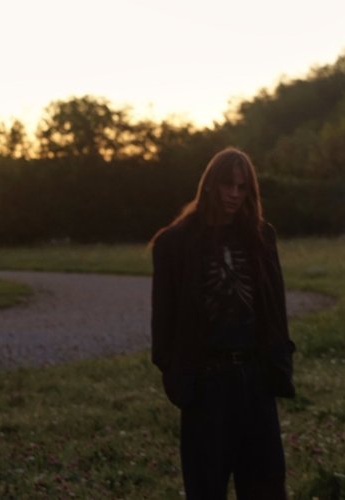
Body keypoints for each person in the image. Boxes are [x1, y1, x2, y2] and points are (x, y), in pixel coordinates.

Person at [150, 147, 295, 499]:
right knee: (206, 487)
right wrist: (180, 378)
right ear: (210, 185)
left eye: (242, 187)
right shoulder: (175, 243)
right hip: (206, 383)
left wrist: (278, 363)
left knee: (265, 486)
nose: (234, 194)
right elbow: (163, 321)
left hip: (255, 379)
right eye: (227, 185)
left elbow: (275, 308)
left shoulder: (261, 237)